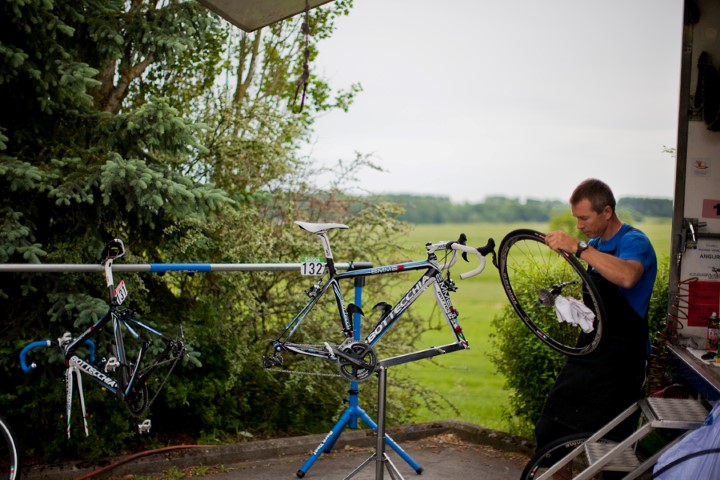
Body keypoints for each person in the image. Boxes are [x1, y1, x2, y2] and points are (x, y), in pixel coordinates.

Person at [536, 178, 658, 453]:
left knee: (613, 442)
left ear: (607, 212)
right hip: (591, 350)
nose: (579, 225)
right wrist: (576, 309)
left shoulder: (634, 241)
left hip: (622, 360)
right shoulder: (596, 244)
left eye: (584, 218)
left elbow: (627, 276)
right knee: (552, 427)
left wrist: (579, 248)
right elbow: (600, 299)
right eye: (576, 219)